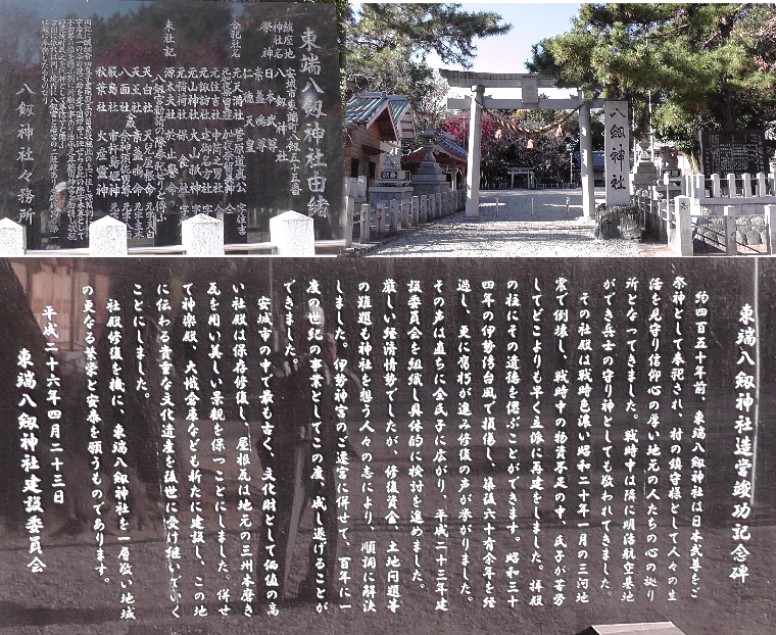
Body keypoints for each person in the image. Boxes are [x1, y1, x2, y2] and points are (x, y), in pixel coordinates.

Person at [256, 302, 339, 606]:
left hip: (321, 449)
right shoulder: (284, 360)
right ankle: (269, 590)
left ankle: (320, 584)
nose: (313, 334)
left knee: (328, 520)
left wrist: (331, 364)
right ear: (297, 329)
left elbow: (340, 399)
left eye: (317, 329)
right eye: (307, 327)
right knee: (283, 520)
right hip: (291, 450)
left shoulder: (325, 363)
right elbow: (282, 395)